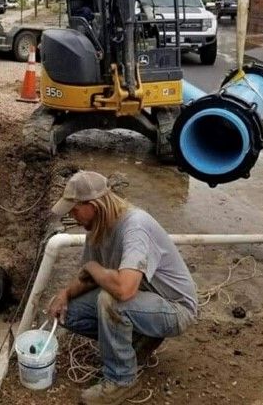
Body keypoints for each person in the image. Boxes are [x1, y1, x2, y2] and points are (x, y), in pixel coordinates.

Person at [48, 170, 197, 405]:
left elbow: (125, 290)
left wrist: (94, 267)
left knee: (111, 301)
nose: (72, 216)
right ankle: (137, 344)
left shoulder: (134, 227)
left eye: (74, 209)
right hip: (144, 300)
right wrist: (65, 294)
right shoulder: (97, 227)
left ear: (94, 205)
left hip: (175, 309)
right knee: (70, 314)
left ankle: (121, 381)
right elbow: (88, 277)